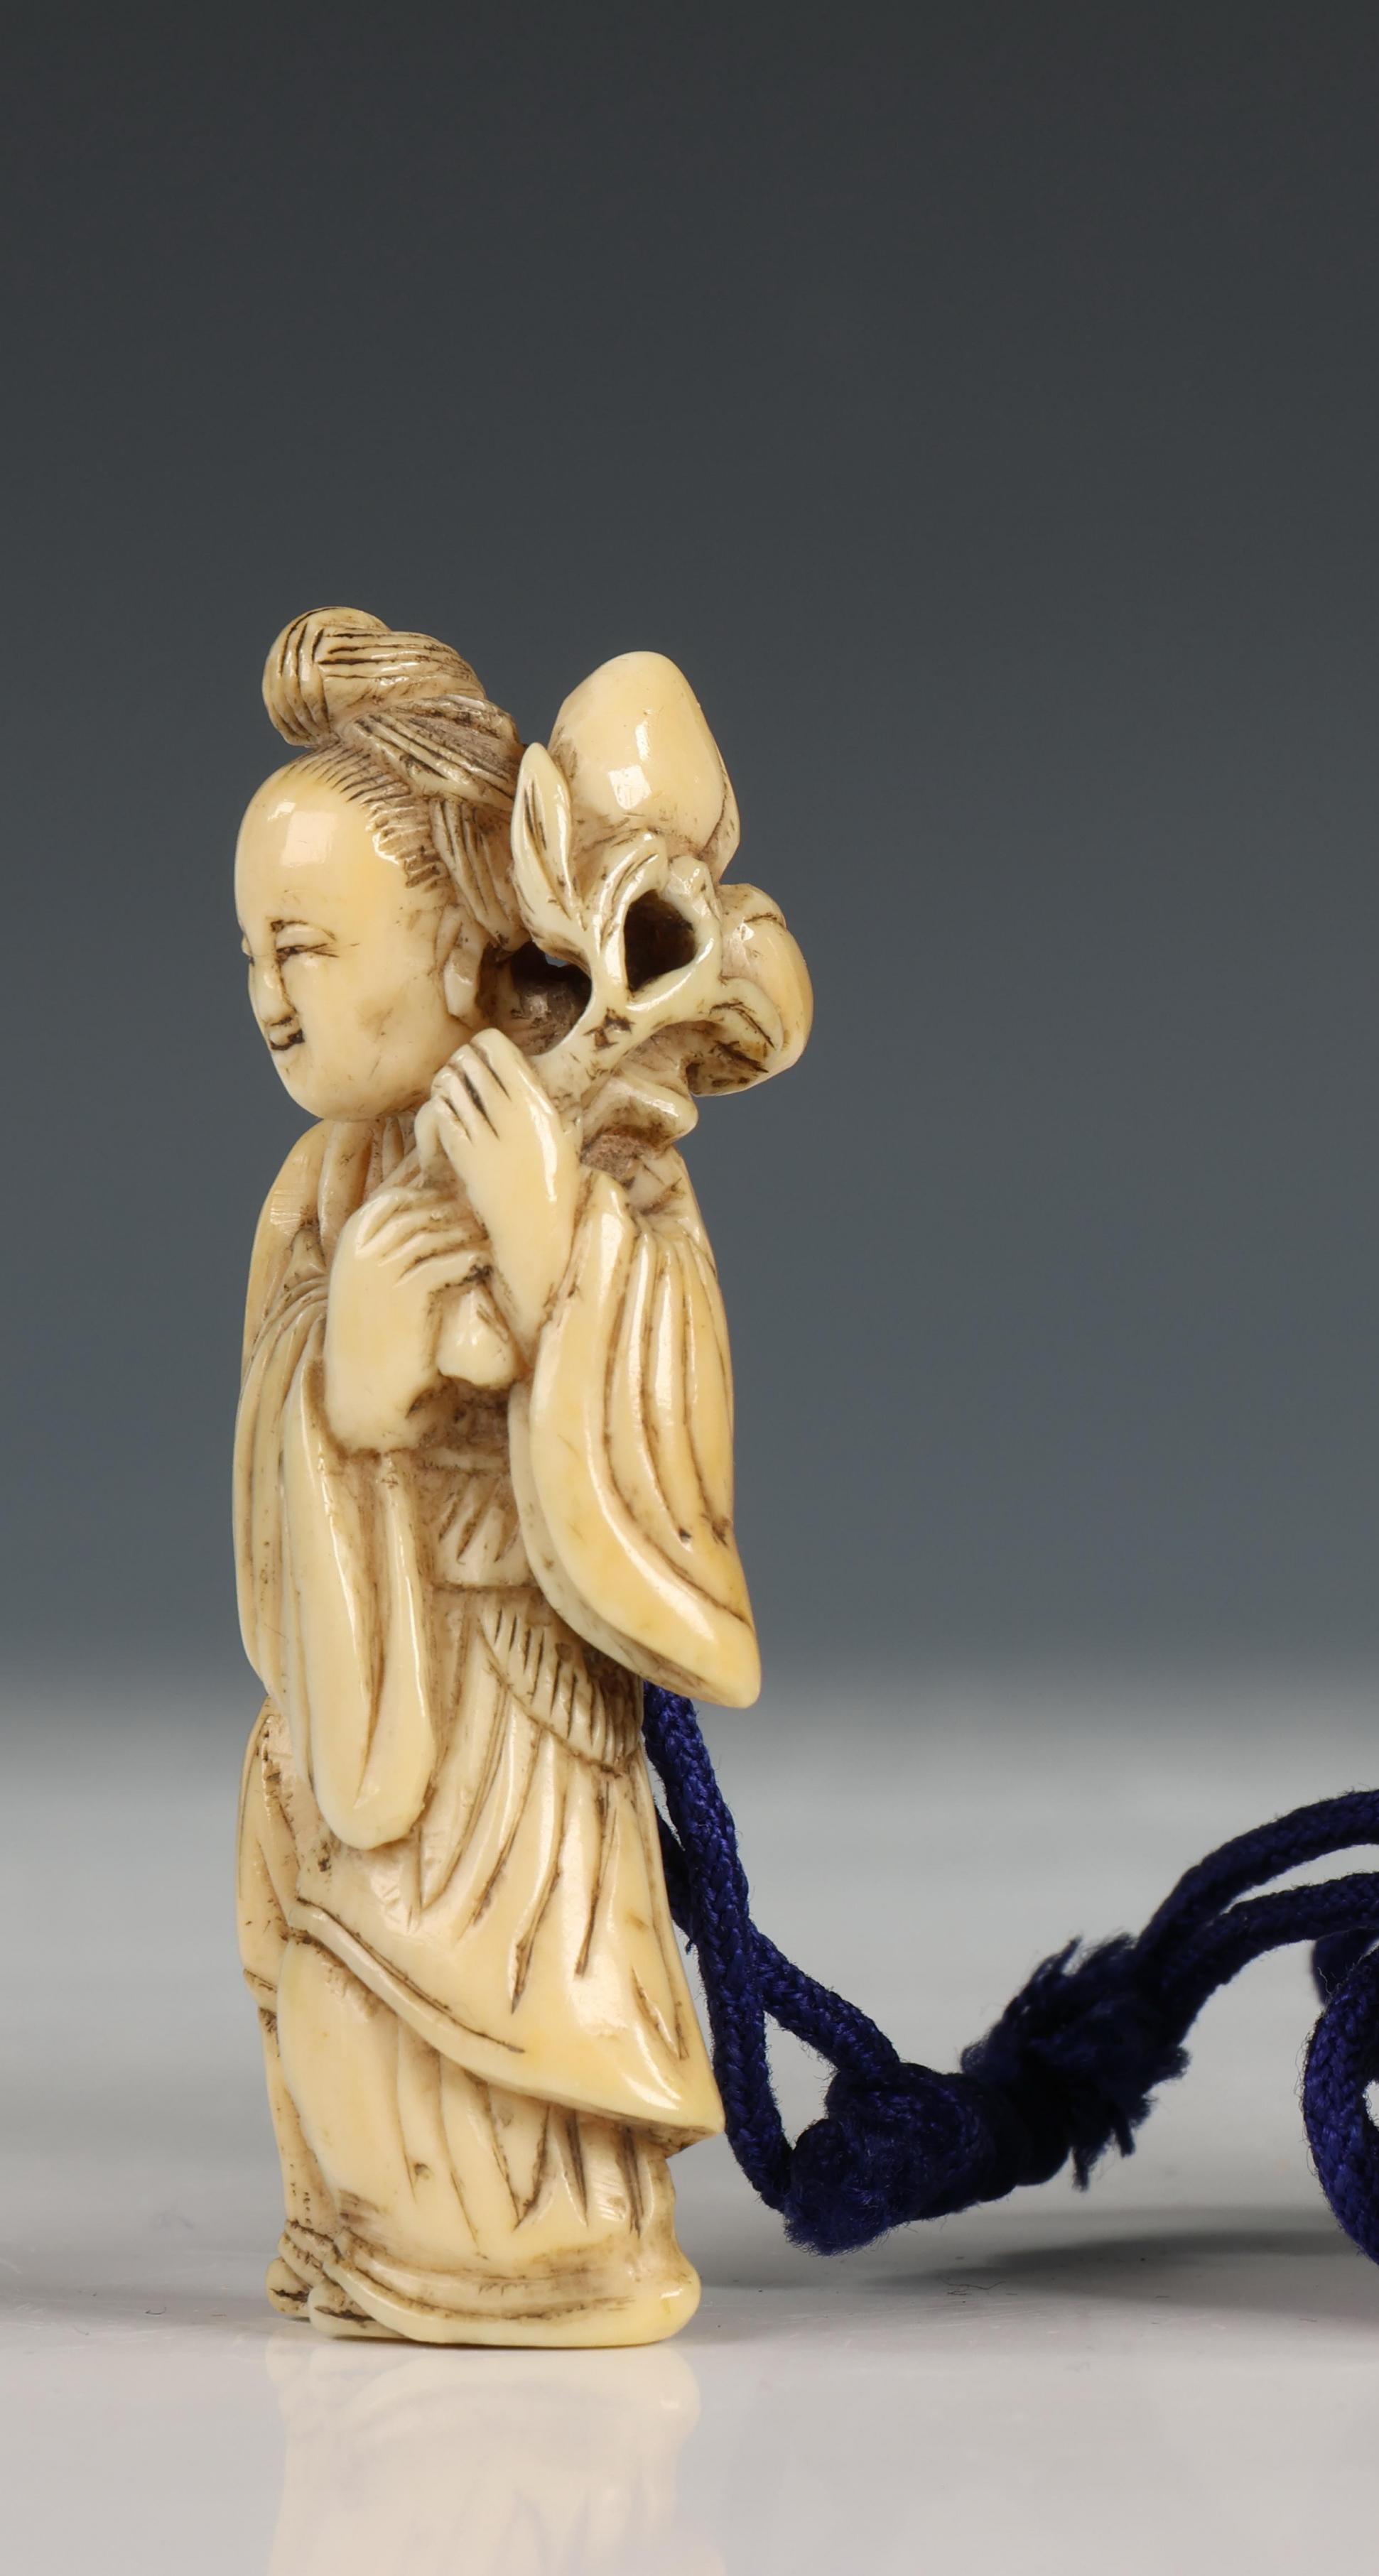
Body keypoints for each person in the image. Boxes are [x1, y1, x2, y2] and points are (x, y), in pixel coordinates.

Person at [230, 609, 809, 2342]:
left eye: (305, 945)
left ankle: (544, 2252)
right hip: (367, 1711)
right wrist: (344, 1391)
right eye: (248, 951)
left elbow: (665, 1423)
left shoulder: (607, 1165)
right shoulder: (317, 1192)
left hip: (518, 1725)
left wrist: (559, 1255)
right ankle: (367, 2227)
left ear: (459, 953)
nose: (268, 995)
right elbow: (278, 1474)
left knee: (488, 2076)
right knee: (319, 1936)